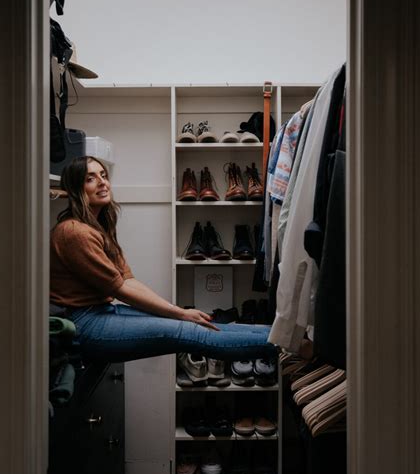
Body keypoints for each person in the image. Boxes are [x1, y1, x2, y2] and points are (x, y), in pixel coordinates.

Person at [50, 156, 277, 364]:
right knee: (187, 332)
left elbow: (127, 280)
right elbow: (119, 287)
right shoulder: (74, 232)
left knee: (194, 325)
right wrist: (178, 313)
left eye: (103, 175)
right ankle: (292, 348)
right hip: (83, 325)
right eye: (90, 179)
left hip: (100, 312)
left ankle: (286, 338)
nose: (102, 182)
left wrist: (176, 311)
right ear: (76, 189)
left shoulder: (95, 227)